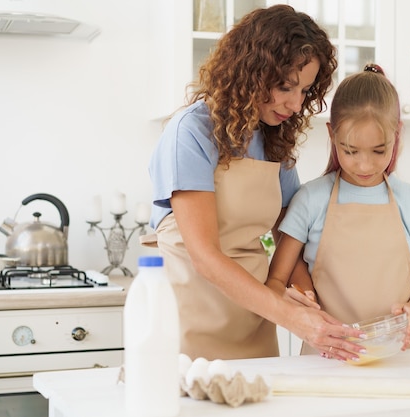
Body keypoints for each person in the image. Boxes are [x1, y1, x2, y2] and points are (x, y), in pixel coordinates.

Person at [146, 5, 363, 361]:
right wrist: (292, 317)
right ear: (250, 71)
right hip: (190, 318)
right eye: (284, 86)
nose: (295, 104)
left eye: (305, 91)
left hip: (254, 316)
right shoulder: (191, 132)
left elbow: (288, 238)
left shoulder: (273, 140)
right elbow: (205, 257)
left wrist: (310, 304)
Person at [266, 64, 410, 359]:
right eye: (350, 151)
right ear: (332, 134)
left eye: (378, 151)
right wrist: (298, 301)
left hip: (399, 358)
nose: (364, 165)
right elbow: (276, 280)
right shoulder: (310, 199)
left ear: (396, 135)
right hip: (327, 357)